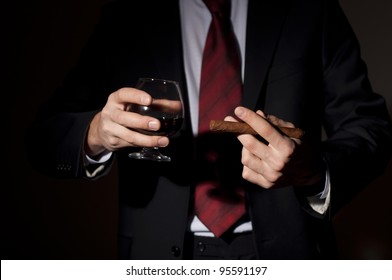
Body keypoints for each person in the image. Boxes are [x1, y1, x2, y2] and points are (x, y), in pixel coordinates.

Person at [26, 0, 392, 259]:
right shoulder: (127, 16)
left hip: (289, 253)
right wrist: (95, 132)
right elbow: (44, 140)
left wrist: (314, 171)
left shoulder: (309, 8)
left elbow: (369, 126)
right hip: (157, 259)